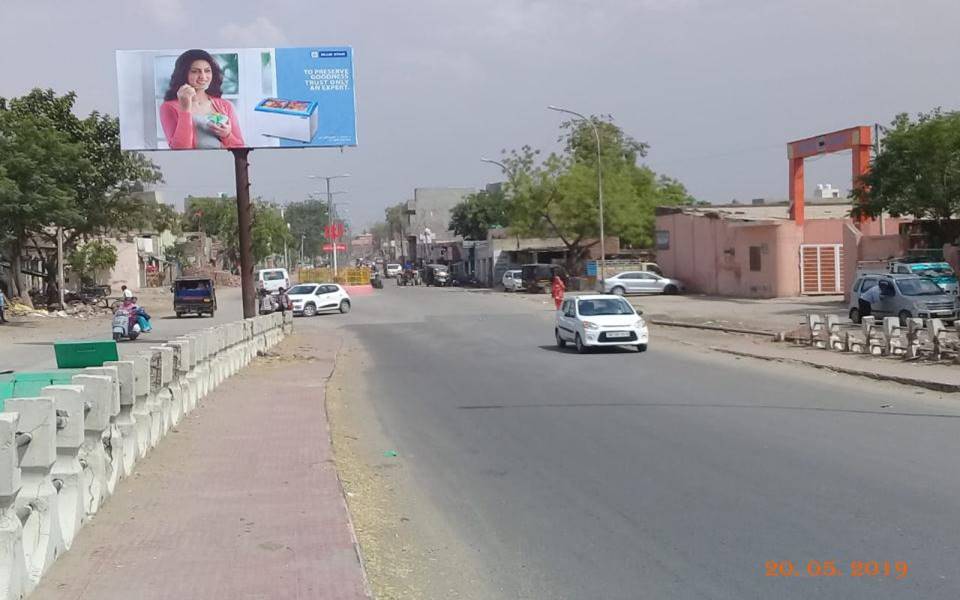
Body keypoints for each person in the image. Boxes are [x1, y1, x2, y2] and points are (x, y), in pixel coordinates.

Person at [159, 49, 245, 150]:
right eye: (195, 71)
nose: (203, 77)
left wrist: (227, 135)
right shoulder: (168, 107)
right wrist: (185, 109)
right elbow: (180, 149)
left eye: (207, 71)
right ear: (183, 73)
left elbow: (240, 148)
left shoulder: (226, 105)